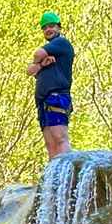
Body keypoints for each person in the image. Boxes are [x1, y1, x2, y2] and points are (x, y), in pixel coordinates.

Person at [27, 11, 74, 160]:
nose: (48, 30)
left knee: (59, 138)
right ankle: (54, 177)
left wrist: (38, 60)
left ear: (59, 28)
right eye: (45, 27)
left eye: (52, 26)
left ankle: (65, 174)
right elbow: (29, 71)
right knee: (50, 143)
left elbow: (37, 53)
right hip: (44, 101)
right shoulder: (49, 53)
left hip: (57, 97)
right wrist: (42, 64)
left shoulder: (61, 43)